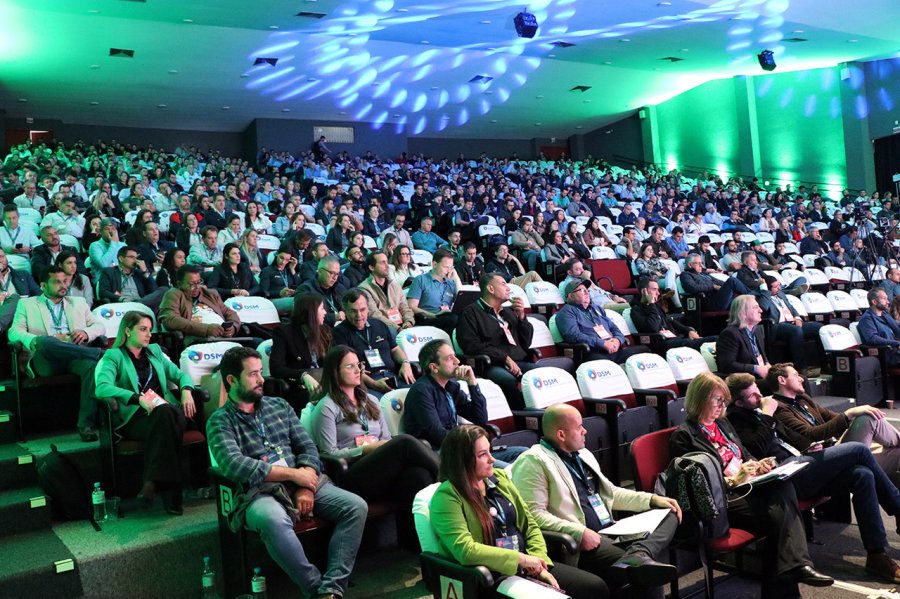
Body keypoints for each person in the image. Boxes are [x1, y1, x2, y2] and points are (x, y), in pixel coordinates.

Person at [206, 346, 367, 599]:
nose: (261, 380)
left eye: (261, 372)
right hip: (259, 492)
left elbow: (307, 447)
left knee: (355, 507)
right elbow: (234, 465)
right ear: (231, 380)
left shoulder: (279, 405)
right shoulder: (220, 421)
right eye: (253, 374)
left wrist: (305, 484)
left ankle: (333, 586)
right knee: (271, 519)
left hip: (303, 480)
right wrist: (293, 475)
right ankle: (316, 590)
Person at [670, 372, 834, 597]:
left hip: (748, 488)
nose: (721, 405)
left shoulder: (723, 423)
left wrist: (758, 465)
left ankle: (794, 569)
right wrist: (732, 480)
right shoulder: (684, 436)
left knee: (783, 487)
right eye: (717, 400)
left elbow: (744, 454)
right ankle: (795, 568)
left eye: (723, 400)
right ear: (700, 399)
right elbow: (697, 484)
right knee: (780, 520)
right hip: (723, 500)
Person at [725, 372, 900, 582]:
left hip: (802, 462)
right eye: (753, 395)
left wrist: (809, 447)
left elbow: (791, 438)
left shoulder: (761, 410)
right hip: (784, 477)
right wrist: (767, 415)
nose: (760, 396)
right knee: (858, 451)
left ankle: (876, 554)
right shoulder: (736, 419)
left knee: (861, 474)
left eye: (758, 390)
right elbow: (756, 447)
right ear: (738, 402)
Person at [511, 404, 680, 596]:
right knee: (647, 575)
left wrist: (651, 499)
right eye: (579, 427)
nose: (585, 431)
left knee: (670, 512)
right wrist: (578, 532)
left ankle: (639, 553)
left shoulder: (583, 454)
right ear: (561, 435)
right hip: (584, 543)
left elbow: (612, 494)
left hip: (612, 530)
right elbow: (532, 514)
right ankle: (639, 556)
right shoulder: (533, 461)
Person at [430, 425, 608, 599]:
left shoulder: (499, 479)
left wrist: (540, 563)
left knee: (594, 588)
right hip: (492, 575)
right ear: (463, 461)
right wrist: (521, 559)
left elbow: (530, 525)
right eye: (483, 455)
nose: (492, 459)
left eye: (489, 451)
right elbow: (465, 550)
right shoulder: (447, 496)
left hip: (527, 566)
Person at [307, 345, 439, 549]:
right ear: (335, 372)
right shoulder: (326, 407)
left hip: (382, 472)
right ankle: (453, 476)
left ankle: (416, 546)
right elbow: (327, 453)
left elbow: (386, 438)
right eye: (350, 366)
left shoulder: (371, 401)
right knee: (405, 442)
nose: (358, 370)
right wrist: (364, 450)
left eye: (358, 365)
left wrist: (379, 447)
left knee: (419, 476)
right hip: (352, 475)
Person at [94, 311, 197, 515]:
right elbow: (102, 388)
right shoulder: (114, 356)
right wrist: (136, 398)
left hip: (166, 412)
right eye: (143, 329)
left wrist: (186, 391)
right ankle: (170, 492)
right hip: (138, 418)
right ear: (127, 331)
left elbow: (181, 374)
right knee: (168, 421)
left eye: (150, 330)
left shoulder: (155, 352)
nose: (148, 334)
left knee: (166, 412)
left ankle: (152, 482)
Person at [9, 265, 106, 441]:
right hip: (45, 359)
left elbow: (99, 326)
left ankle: (86, 424)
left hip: (74, 356)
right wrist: (35, 341)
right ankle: (100, 353)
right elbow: (14, 332)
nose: (63, 286)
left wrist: (85, 333)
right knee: (47, 342)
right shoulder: (27, 304)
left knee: (91, 367)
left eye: (65, 281)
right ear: (43, 285)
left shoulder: (78, 302)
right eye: (57, 282)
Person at [766, 363, 900, 486]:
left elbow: (832, 417)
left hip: (839, 445)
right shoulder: (780, 409)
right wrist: (849, 414)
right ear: (782, 380)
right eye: (795, 375)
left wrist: (852, 421)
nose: (802, 379)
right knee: (867, 418)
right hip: (825, 457)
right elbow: (812, 434)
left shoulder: (803, 399)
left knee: (897, 454)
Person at [457, 273, 574, 408]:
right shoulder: (470, 313)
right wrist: (504, 358)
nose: (508, 288)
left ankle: (550, 412)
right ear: (490, 289)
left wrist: (522, 317)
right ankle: (523, 415)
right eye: (503, 284)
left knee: (541, 375)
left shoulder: (508, 311)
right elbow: (471, 346)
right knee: (507, 380)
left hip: (519, 361)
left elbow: (526, 342)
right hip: (492, 364)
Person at [401, 339, 526, 465]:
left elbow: (480, 418)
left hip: (464, 450)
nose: (458, 361)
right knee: (508, 469)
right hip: (444, 457)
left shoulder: (451, 386)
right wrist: (472, 442)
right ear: (434, 367)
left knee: (523, 453)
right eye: (450, 358)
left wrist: (472, 383)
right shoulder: (422, 392)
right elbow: (438, 436)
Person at [332, 289, 415, 396]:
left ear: (368, 308)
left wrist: (405, 363)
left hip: (393, 376)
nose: (359, 315)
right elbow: (347, 368)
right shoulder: (339, 333)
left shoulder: (379, 324)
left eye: (362, 310)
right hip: (365, 383)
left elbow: (395, 349)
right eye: (353, 311)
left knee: (419, 396)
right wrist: (374, 384)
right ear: (345, 311)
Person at [555, 279, 646, 363]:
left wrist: (618, 340)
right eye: (582, 290)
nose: (587, 292)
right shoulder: (566, 312)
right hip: (593, 352)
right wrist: (602, 343)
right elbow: (574, 336)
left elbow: (614, 328)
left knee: (644, 351)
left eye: (587, 290)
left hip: (612, 349)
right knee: (607, 364)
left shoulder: (596, 308)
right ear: (571, 296)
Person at [758, 274, 823, 377]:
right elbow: (764, 307)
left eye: (779, 285)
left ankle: (824, 364)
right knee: (796, 331)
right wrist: (764, 291)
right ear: (767, 288)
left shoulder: (781, 294)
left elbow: (792, 308)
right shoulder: (762, 296)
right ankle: (801, 367)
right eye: (775, 287)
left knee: (819, 328)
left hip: (791, 322)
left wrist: (797, 317)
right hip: (776, 326)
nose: (779, 288)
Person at [158, 265, 241, 344]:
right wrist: (205, 329)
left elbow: (230, 313)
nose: (197, 287)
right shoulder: (173, 294)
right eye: (192, 284)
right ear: (179, 284)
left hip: (224, 338)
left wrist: (233, 327)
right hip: (198, 340)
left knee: (253, 343)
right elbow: (170, 319)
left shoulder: (210, 294)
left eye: (199, 282)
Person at [271, 294, 331, 398]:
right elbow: (276, 368)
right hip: (301, 389)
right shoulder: (284, 333)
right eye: (322, 309)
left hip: (325, 383)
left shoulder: (325, 331)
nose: (325, 312)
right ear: (311, 312)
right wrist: (303, 375)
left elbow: (333, 360)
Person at [630, 278, 710, 350]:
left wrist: (688, 330)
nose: (658, 293)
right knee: (699, 343)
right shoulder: (636, 310)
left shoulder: (656, 306)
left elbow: (669, 320)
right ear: (644, 291)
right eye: (654, 289)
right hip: (661, 343)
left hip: (673, 339)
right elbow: (653, 328)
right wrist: (651, 305)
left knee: (711, 340)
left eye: (658, 290)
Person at [356, 250, 415, 336]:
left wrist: (408, 322)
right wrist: (397, 328)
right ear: (372, 267)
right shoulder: (363, 288)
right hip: (383, 328)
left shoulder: (395, 285)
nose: (387, 266)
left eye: (387, 262)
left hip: (402, 325)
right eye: (383, 263)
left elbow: (405, 308)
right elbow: (374, 315)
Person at [97, 246, 168, 312]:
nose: (135, 260)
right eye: (132, 257)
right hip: (122, 306)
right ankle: (136, 304)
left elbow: (154, 290)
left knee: (164, 289)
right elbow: (103, 292)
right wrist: (121, 299)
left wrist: (145, 272)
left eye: (136, 258)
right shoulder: (109, 272)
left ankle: (136, 304)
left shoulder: (140, 273)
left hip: (142, 305)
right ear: (121, 258)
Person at [716, 294, 771, 377]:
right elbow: (728, 365)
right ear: (743, 312)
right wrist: (756, 368)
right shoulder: (730, 334)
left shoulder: (758, 330)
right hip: (743, 380)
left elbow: (761, 355)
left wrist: (767, 364)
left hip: (759, 376)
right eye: (755, 307)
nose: (761, 310)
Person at [407, 248, 458, 335]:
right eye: (446, 267)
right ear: (434, 264)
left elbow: (460, 302)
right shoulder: (421, 280)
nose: (449, 271)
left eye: (451, 267)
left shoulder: (451, 282)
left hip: (447, 317)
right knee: (454, 319)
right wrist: (434, 315)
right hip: (427, 318)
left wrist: (456, 278)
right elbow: (412, 306)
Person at [679, 253, 748, 310]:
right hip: (711, 302)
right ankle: (751, 294)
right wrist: (713, 286)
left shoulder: (703, 274)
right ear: (690, 265)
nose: (701, 265)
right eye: (697, 263)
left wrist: (725, 287)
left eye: (701, 263)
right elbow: (693, 287)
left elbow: (718, 282)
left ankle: (750, 295)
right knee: (732, 280)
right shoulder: (685, 275)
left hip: (719, 297)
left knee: (743, 302)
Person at [560, 259, 628, 314]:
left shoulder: (582, 277)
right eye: (578, 269)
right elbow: (586, 300)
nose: (583, 271)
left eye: (582, 268)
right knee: (632, 308)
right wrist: (587, 278)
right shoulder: (571, 284)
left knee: (632, 304)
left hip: (610, 301)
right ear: (569, 272)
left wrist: (614, 297)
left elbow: (599, 290)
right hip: (601, 307)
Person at [299, 255, 348, 327]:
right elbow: (307, 316)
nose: (334, 278)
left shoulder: (339, 288)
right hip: (321, 331)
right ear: (320, 271)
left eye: (337, 274)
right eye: (331, 273)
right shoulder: (306, 289)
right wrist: (334, 317)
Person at [857, 287, 900, 366]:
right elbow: (873, 339)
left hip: (895, 350)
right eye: (884, 299)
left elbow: (896, 326)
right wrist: (897, 343)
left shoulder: (884, 314)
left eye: (887, 298)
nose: (888, 301)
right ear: (874, 301)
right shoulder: (867, 319)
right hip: (885, 354)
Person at [259, 248, 301, 315]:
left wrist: (292, 270)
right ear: (276, 255)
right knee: (299, 302)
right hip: (273, 301)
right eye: (281, 258)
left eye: (287, 260)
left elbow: (300, 286)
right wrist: (279, 293)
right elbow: (263, 292)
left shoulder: (288, 271)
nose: (283, 262)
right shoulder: (267, 271)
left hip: (289, 299)